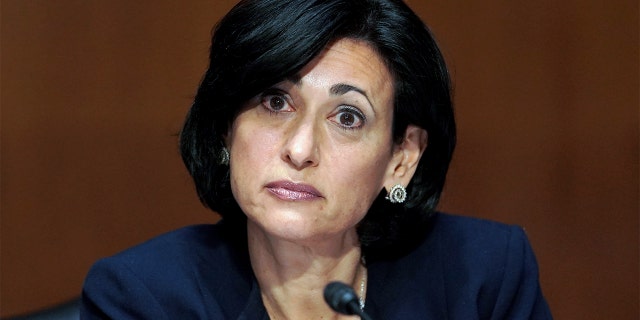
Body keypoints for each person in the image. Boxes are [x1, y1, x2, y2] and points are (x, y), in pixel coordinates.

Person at [80, 0, 553, 319]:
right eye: (274, 102)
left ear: (401, 158)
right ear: (227, 126)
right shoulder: (143, 298)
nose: (300, 149)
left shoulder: (485, 277)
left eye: (347, 117)